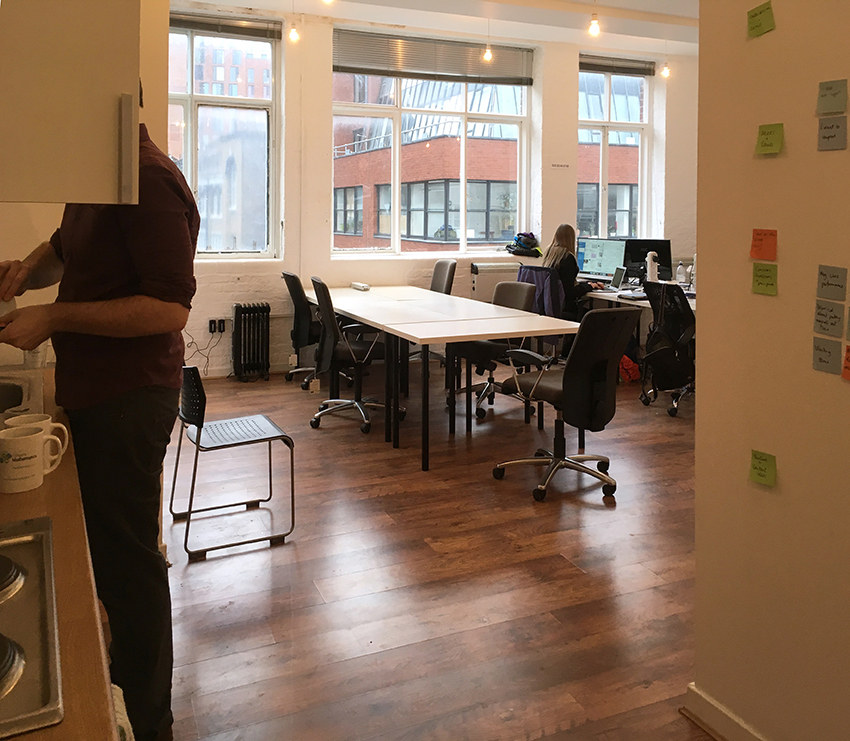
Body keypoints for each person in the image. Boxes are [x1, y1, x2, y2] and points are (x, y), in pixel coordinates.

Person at [0, 106, 198, 741]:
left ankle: (148, 720)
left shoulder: (146, 181)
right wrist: (29, 271)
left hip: (129, 400)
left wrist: (54, 319)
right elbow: (66, 248)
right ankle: (127, 682)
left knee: (129, 565)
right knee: (114, 559)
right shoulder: (99, 176)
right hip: (97, 392)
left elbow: (169, 309)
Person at [542, 223, 605, 321]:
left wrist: (586, 284)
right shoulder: (567, 257)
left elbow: (564, 284)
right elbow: (570, 292)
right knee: (597, 317)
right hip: (564, 308)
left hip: (549, 307)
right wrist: (589, 287)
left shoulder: (549, 253)